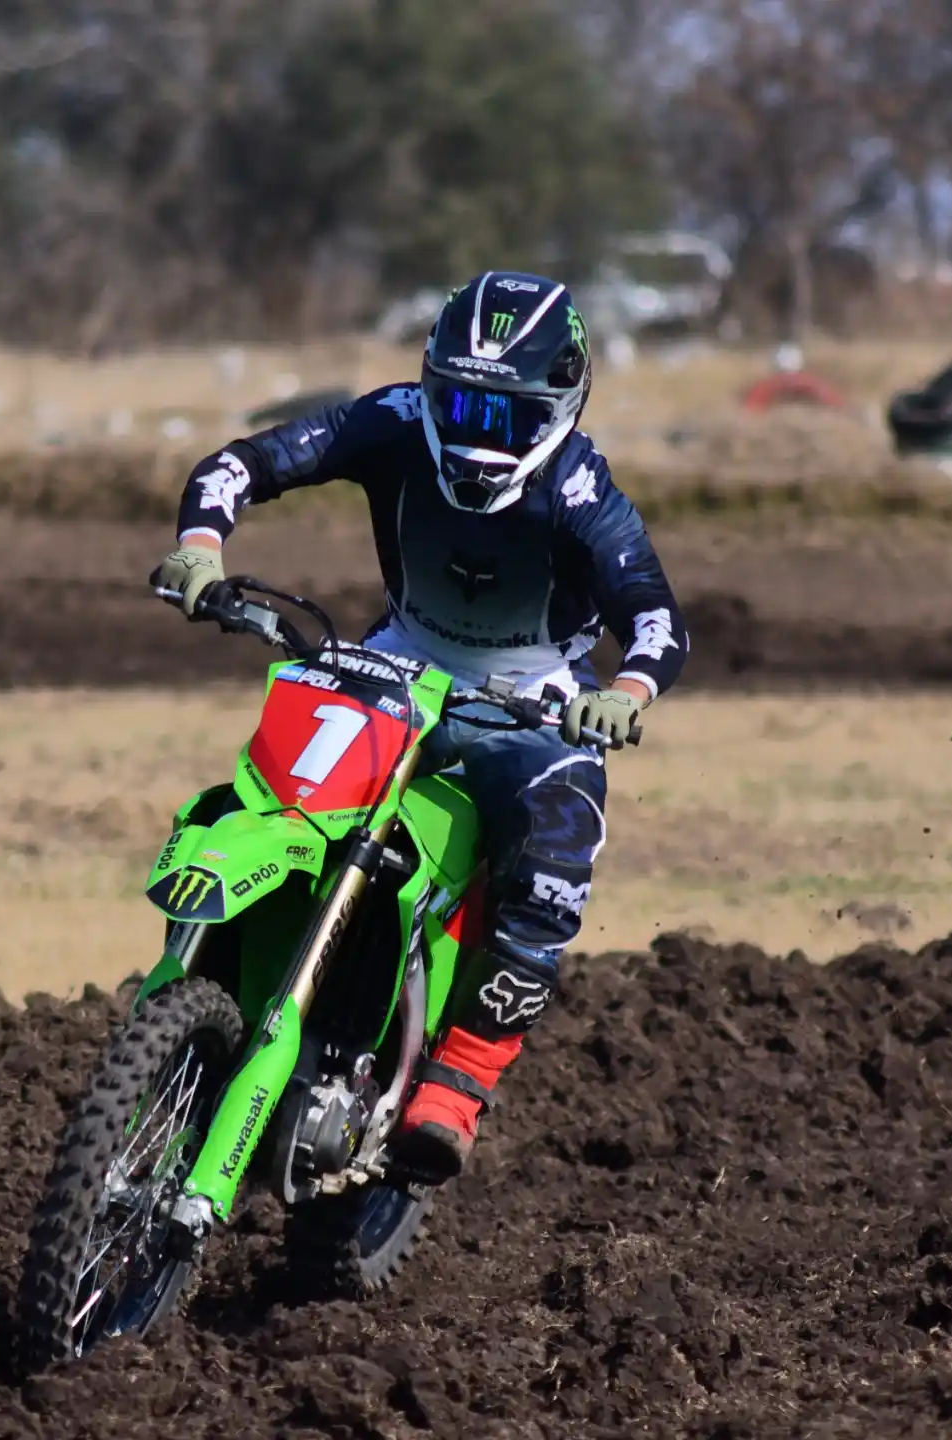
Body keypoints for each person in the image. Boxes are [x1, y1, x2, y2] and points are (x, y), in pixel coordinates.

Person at [154, 272, 690, 1181]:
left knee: (559, 852)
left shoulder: (583, 489)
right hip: (395, 664)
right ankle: (204, 986)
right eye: (461, 405)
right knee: (267, 789)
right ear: (429, 384)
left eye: (506, 417)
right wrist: (203, 545)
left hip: (534, 700)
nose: (480, 435)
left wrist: (627, 694)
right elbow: (245, 464)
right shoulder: (392, 421)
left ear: (560, 406)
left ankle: (457, 1084)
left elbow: (655, 617)